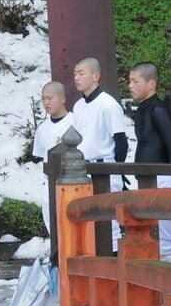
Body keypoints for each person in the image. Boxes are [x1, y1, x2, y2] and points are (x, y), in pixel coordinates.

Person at [70, 56, 132, 250]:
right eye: (75, 74)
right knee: (86, 218)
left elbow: (120, 141)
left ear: (96, 76)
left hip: (104, 165)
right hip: (83, 167)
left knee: (108, 220)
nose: (77, 78)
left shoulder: (108, 104)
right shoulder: (78, 106)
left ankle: (111, 261)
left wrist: (115, 168)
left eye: (81, 73)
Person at [126, 62, 171, 264]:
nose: (130, 86)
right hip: (147, 180)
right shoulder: (143, 110)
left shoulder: (159, 110)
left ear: (151, 83)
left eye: (135, 81)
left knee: (167, 244)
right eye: (129, 81)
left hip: (163, 179)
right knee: (152, 241)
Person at [30, 80, 71, 235]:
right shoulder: (42, 129)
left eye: (50, 98)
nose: (46, 103)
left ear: (62, 99)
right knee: (50, 217)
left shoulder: (74, 121)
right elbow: (39, 155)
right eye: (44, 99)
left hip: (70, 178)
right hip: (49, 179)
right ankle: (55, 253)